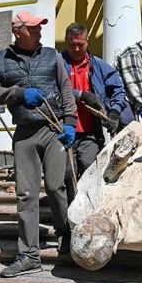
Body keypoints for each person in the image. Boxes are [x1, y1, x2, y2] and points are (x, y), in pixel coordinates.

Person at [0, 11, 77, 278]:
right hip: (25, 132)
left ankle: (66, 235)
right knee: (25, 194)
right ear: (18, 31)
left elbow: (65, 88)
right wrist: (20, 93)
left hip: (53, 129)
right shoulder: (0, 59)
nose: (39, 32)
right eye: (34, 28)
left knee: (56, 186)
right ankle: (28, 255)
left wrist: (70, 121)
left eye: (40, 28)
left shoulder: (51, 55)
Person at [59, 22, 133, 194]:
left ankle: (87, 215)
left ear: (87, 42)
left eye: (80, 44)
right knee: (66, 174)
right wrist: (81, 94)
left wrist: (114, 112)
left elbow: (118, 90)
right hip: (62, 130)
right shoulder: (57, 64)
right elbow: (52, 88)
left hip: (90, 133)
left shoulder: (99, 66)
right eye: (72, 45)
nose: (76, 49)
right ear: (65, 42)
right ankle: (68, 217)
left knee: (89, 169)